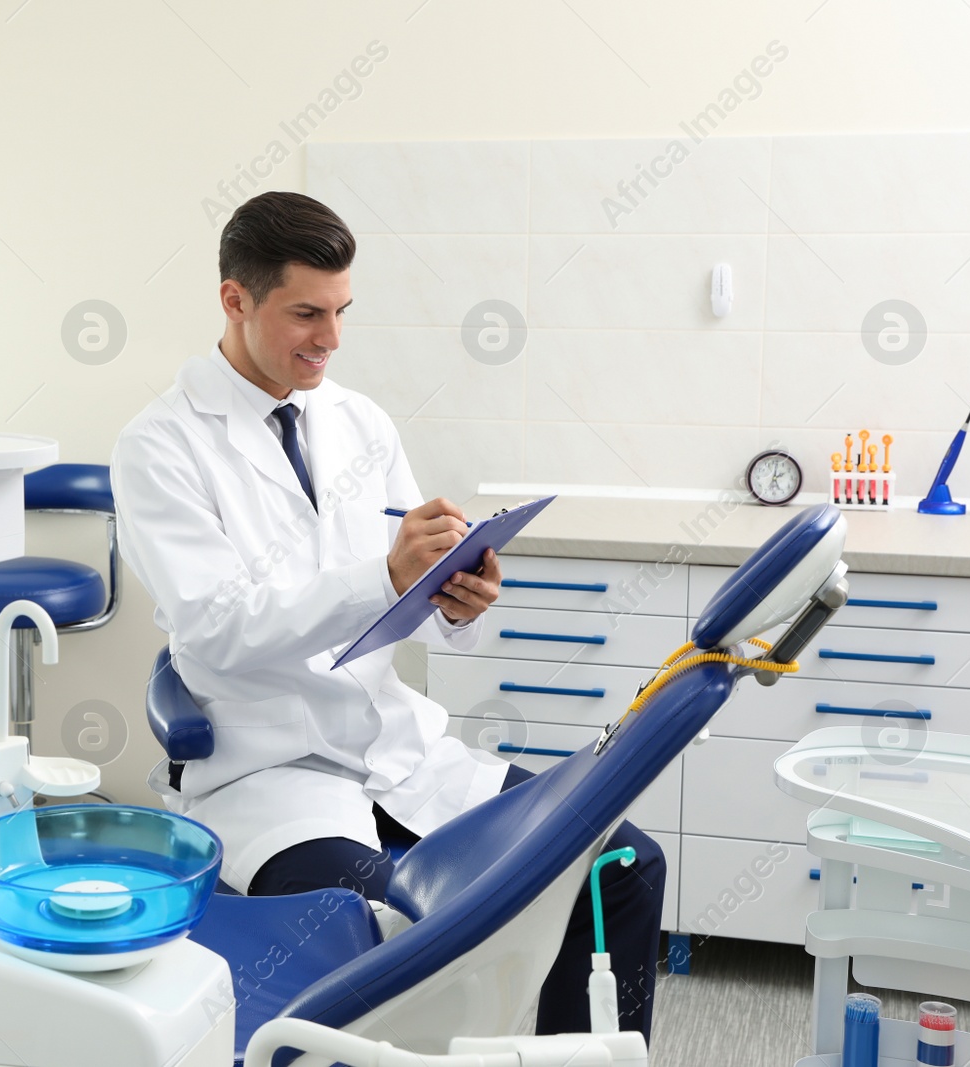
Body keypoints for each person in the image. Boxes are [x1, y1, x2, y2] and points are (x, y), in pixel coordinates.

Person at [111, 190, 663, 1040]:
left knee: (623, 864)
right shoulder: (161, 446)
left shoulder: (358, 420)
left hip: (402, 752)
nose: (330, 338)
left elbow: (409, 594)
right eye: (306, 313)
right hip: (276, 775)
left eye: (341, 311)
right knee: (411, 934)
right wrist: (384, 572)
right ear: (235, 300)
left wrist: (456, 600)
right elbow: (216, 627)